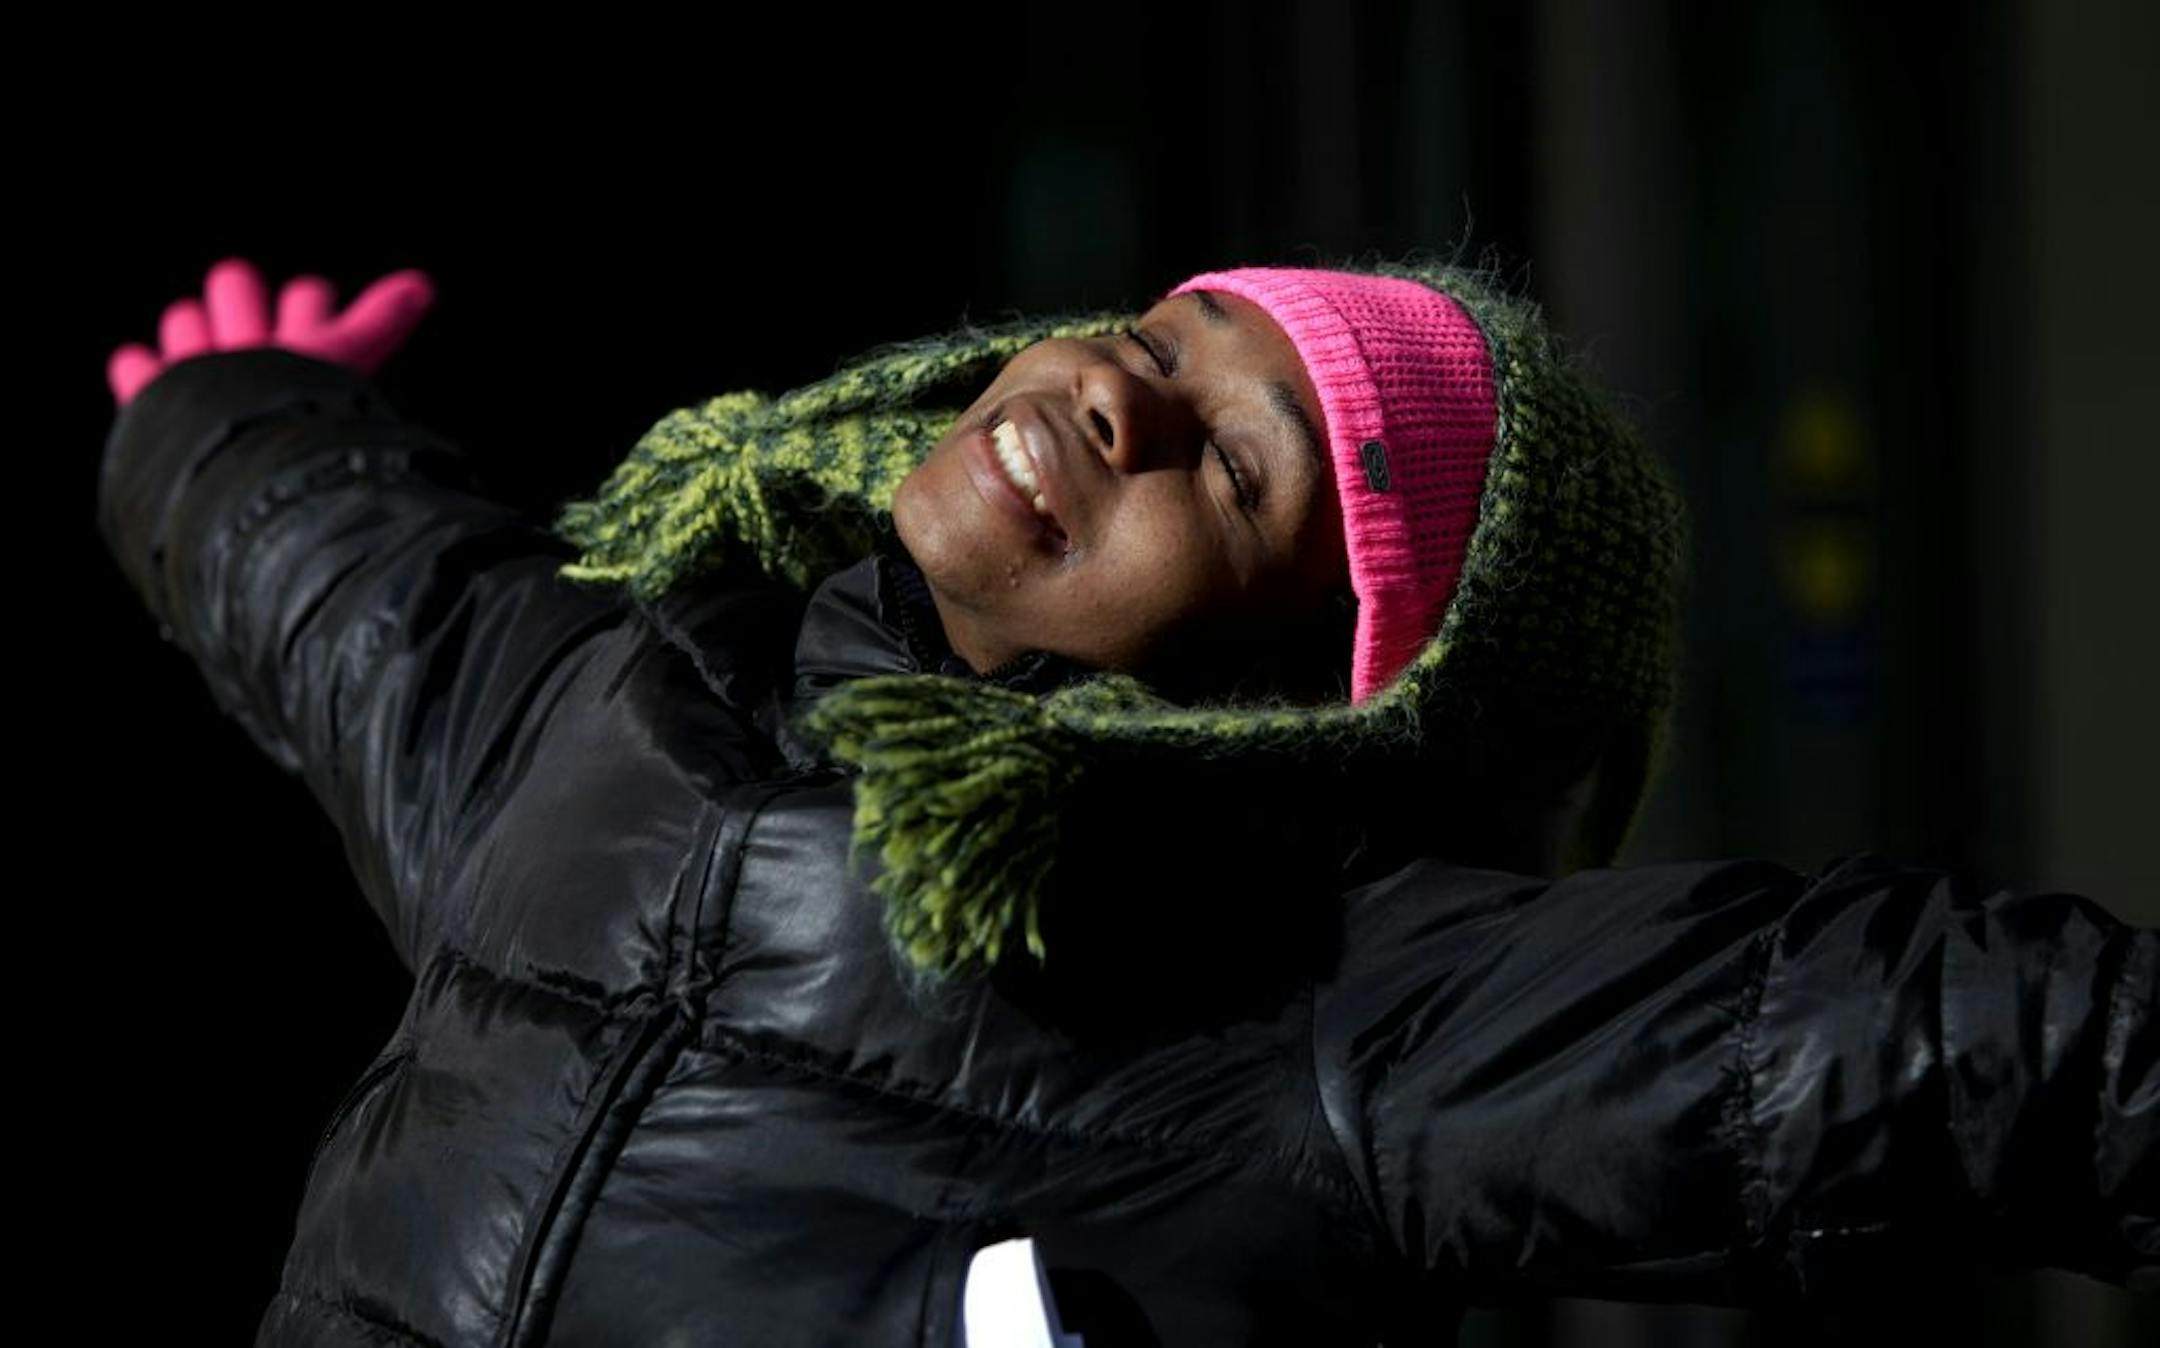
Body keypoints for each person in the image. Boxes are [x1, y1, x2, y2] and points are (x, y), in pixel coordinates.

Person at [99, 256, 2154, 1347]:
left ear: (1314, 712)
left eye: (1239, 473)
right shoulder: (637, 693)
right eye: (1170, 335)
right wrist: (237, 406)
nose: (1115, 391)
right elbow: (363, 593)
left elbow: (1920, 1041)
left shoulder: (1320, 999)